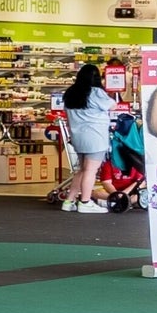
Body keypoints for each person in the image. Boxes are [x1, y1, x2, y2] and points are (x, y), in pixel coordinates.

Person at [56, 61, 117, 212]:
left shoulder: (71, 93)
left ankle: (69, 201)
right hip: (95, 137)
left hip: (78, 137)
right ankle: (85, 202)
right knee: (90, 170)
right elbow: (112, 105)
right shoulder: (96, 92)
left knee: (82, 170)